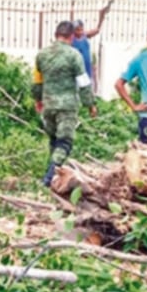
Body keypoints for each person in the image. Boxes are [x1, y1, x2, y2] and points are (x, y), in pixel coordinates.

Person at [33, 21, 97, 186]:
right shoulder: (74, 55)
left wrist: (38, 100)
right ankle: (48, 178)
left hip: (48, 104)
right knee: (65, 142)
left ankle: (53, 174)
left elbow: (37, 81)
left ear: (56, 35)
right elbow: (84, 82)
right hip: (67, 106)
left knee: (54, 140)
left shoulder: (42, 54)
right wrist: (90, 104)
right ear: (71, 36)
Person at [71, 0, 113, 82]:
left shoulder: (85, 35)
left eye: (81, 29)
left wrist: (102, 16)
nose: (80, 32)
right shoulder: (71, 39)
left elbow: (97, 30)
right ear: (73, 30)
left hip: (87, 70)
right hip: (76, 72)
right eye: (77, 30)